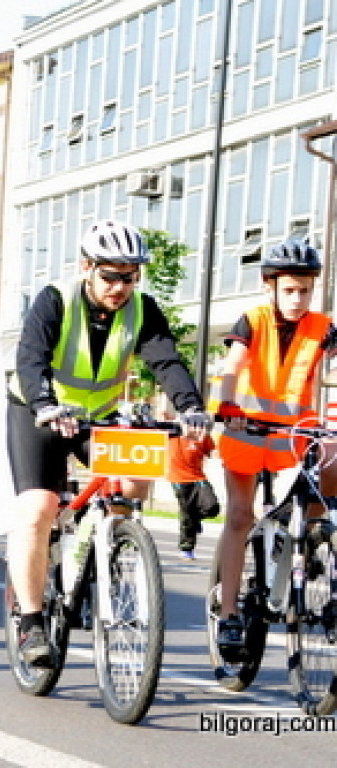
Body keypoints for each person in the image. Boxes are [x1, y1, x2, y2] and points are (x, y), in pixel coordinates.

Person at [6, 220, 208, 666]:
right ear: (87, 268)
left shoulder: (142, 309)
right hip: (40, 412)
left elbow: (166, 360)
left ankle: (96, 549)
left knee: (134, 483)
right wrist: (44, 402)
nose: (120, 286)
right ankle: (32, 621)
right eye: (110, 276)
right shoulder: (55, 299)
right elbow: (30, 357)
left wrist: (191, 407)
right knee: (38, 507)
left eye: (130, 276)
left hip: (97, 417)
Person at [212, 238, 337, 659]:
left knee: (330, 478)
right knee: (240, 515)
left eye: (305, 289)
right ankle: (229, 613)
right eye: (289, 289)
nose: (298, 298)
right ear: (270, 286)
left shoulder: (322, 327)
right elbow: (234, 365)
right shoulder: (252, 320)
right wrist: (228, 403)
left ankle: (297, 532)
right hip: (245, 429)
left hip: (295, 434)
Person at [167, 431, 218, 559]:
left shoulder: (202, 434)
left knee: (212, 507)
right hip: (179, 479)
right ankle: (186, 548)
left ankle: (196, 519)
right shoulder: (173, 432)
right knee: (187, 514)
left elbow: (212, 452)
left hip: (198, 478)